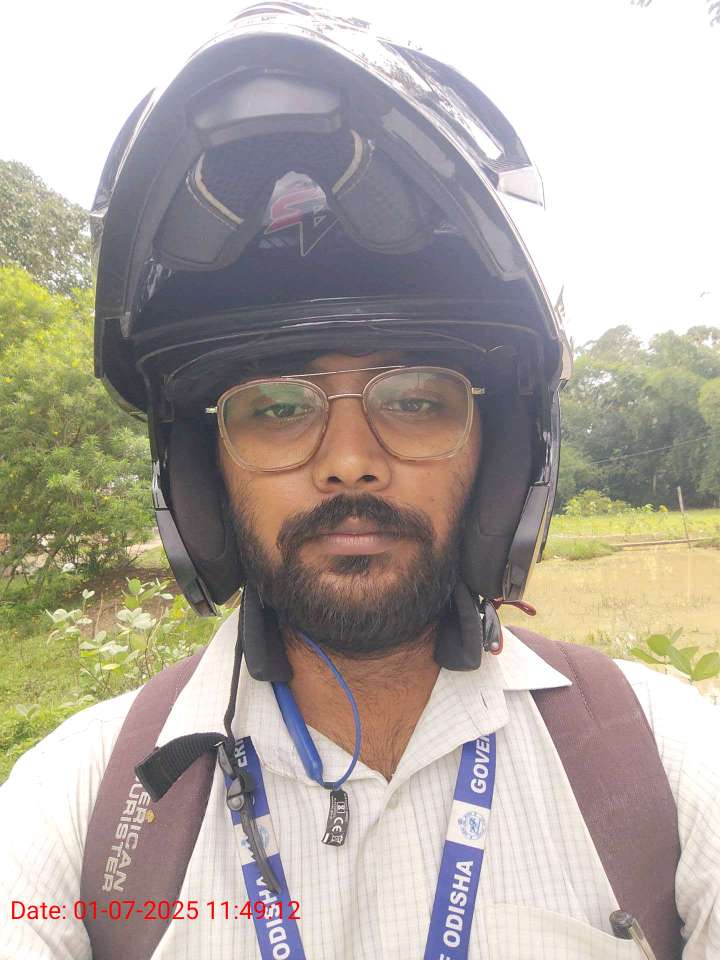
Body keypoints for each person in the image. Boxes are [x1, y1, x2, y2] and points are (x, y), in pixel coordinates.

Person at [1, 4, 719, 959]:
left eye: (416, 400)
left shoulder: (665, 762)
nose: (349, 459)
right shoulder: (80, 802)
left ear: (501, 453)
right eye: (277, 408)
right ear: (203, 472)